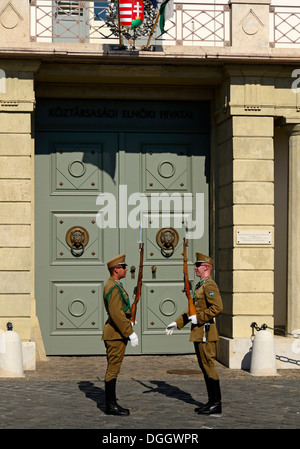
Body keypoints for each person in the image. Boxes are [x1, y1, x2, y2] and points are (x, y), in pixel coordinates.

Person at [166, 252, 223, 415]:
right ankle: (211, 401)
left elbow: (217, 308)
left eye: (198, 265)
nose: (195, 268)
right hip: (199, 333)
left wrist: (199, 319)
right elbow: (192, 310)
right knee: (205, 367)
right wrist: (177, 324)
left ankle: (216, 403)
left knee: (209, 367)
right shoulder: (201, 285)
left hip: (206, 332)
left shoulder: (209, 285)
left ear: (206, 267)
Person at [102, 253, 138, 416]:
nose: (126, 269)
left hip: (117, 332)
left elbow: (121, 311)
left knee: (114, 368)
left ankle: (111, 402)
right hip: (115, 334)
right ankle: (111, 405)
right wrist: (129, 333)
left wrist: (129, 319)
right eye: (124, 267)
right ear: (117, 270)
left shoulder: (115, 284)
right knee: (113, 369)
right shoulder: (113, 286)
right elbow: (116, 313)